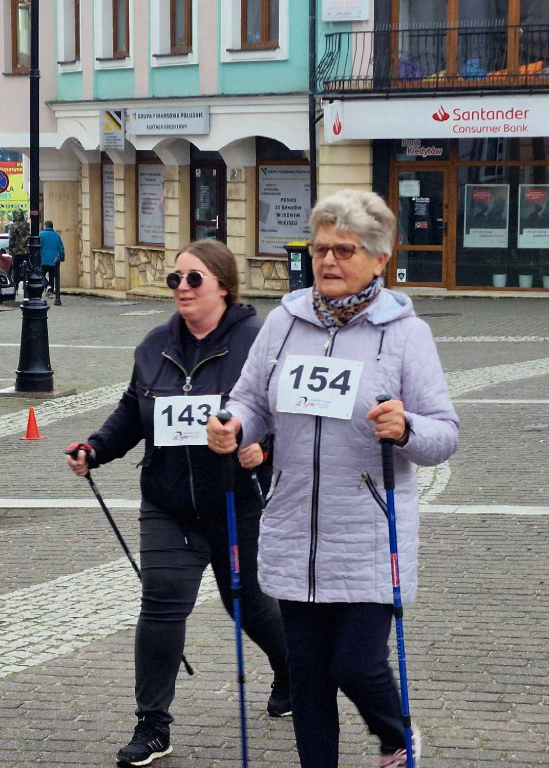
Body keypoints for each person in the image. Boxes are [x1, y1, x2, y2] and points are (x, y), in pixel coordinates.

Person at [206, 189, 459, 768]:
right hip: (295, 526)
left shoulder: (404, 334)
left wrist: (404, 426)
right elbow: (250, 400)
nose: (328, 262)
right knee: (310, 680)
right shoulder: (285, 323)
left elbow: (443, 434)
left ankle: (397, 736)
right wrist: (233, 427)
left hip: (368, 533)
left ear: (378, 259)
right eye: (321, 249)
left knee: (356, 664)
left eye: (344, 250)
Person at [66, 239, 291, 767]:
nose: (182, 289)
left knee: (248, 603)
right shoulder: (154, 346)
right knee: (163, 603)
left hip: (236, 499)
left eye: (194, 279)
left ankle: (291, 668)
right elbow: (131, 410)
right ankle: (152, 724)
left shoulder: (257, 342)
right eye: (176, 279)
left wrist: (264, 446)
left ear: (224, 287)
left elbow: (280, 408)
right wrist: (95, 448)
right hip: (167, 501)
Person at [38, 220, 65, 298]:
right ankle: (51, 291)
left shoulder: (41, 235)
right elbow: (61, 248)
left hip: (43, 259)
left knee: (40, 274)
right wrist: (62, 257)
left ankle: (47, 286)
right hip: (54, 260)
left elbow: (38, 247)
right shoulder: (57, 236)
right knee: (52, 276)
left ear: (45, 226)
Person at [7, 209, 29, 289]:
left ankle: (16, 286)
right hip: (26, 250)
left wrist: (10, 248)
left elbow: (12, 238)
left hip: (16, 251)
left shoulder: (13, 226)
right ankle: (26, 286)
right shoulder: (27, 225)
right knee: (27, 268)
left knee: (16, 269)